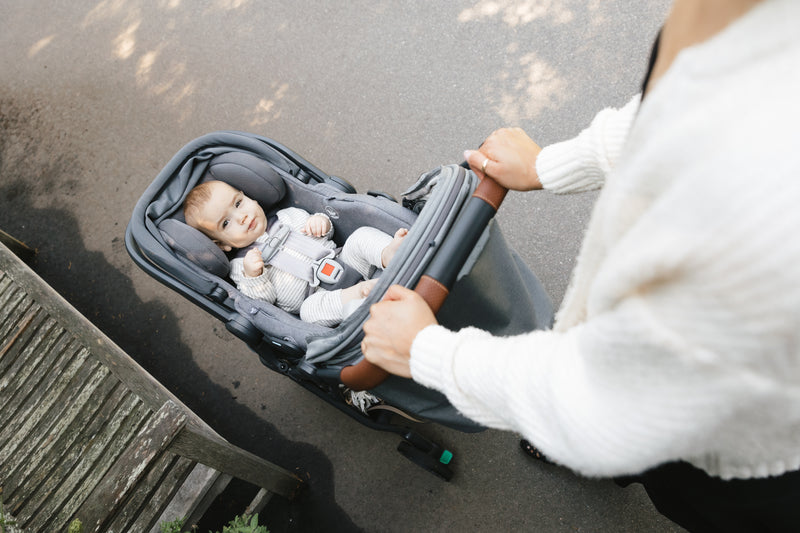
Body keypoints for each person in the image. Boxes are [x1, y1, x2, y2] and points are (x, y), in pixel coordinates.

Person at [362, 0, 800, 530]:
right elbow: (690, 103)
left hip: (746, 459)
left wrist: (427, 352)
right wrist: (551, 164)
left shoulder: (752, 246)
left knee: (669, 474)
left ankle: (598, 462)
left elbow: (599, 401)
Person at [184, 179, 407, 327]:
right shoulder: (241, 266)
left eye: (239, 203)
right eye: (226, 222)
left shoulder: (287, 216)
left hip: (342, 260)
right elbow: (263, 302)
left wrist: (320, 223)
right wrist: (255, 275)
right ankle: (361, 293)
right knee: (310, 313)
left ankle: (389, 254)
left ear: (250, 197)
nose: (241, 216)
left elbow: (326, 235)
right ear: (222, 245)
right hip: (314, 297)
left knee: (360, 237)